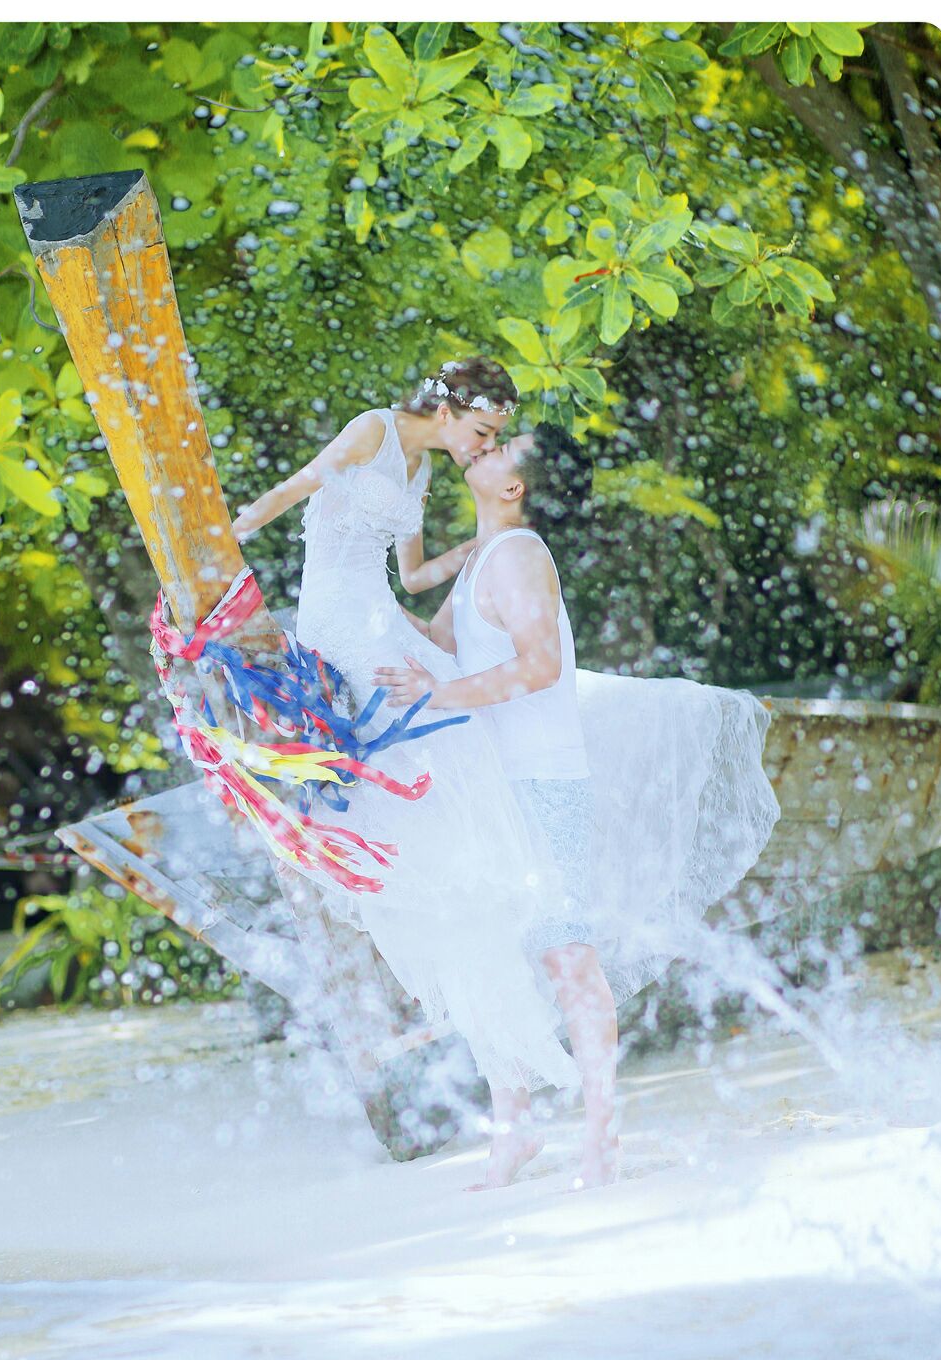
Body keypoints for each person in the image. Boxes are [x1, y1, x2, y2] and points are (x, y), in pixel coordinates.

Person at [373, 424, 781, 1188]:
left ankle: (602, 1136)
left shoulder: (521, 556)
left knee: (566, 955)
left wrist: (438, 693)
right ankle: (516, 1133)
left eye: (504, 449)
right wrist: (360, 603)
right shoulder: (485, 556)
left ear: (515, 487)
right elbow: (439, 643)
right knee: (494, 954)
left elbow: (540, 666)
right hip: (494, 784)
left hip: (542, 781)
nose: (486, 446)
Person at [232, 362, 590, 1175]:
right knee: (413, 852)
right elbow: (296, 488)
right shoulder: (374, 430)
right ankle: (509, 1090)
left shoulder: (424, 468)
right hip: (337, 631)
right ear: (451, 408)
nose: (483, 447)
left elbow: (416, 575)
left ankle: (510, 1089)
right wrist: (226, 545)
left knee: (441, 851)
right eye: (483, 430)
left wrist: (484, 544)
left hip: (374, 635)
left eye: (496, 440)